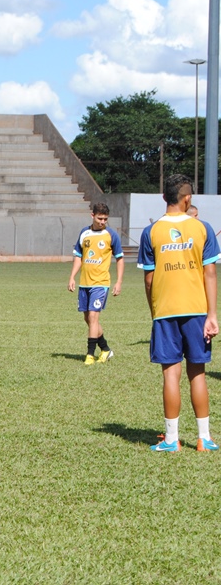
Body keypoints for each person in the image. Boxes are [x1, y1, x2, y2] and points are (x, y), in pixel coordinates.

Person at [138, 174, 221, 452]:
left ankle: (172, 440)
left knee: (170, 375)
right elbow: (210, 274)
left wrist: (155, 310)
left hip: (165, 312)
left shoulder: (150, 232)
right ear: (188, 199)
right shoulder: (203, 228)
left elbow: (149, 280)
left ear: (165, 198)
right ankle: (204, 438)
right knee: (197, 374)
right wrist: (212, 314)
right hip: (197, 310)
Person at [67, 202, 124, 365]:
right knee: (89, 319)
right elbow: (79, 256)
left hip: (101, 283)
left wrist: (118, 282)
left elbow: (120, 259)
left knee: (93, 316)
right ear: (92, 216)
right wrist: (72, 277)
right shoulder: (84, 233)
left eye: (105, 219)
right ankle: (105, 349)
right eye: (99, 218)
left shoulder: (111, 235)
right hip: (85, 283)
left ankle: (90, 354)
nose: (102, 222)